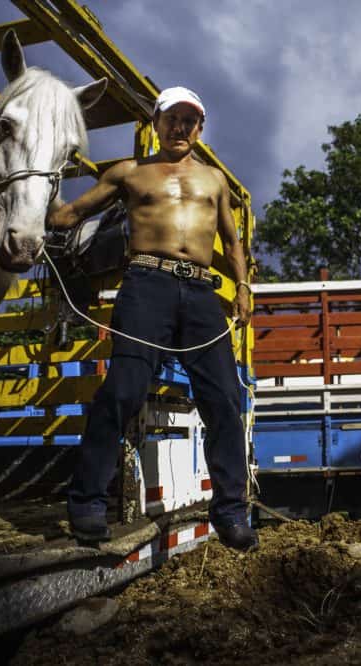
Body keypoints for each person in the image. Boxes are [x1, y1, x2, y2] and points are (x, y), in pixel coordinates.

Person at [48, 86, 257, 551]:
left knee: (224, 399)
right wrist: (35, 210)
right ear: (157, 124)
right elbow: (72, 214)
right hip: (146, 283)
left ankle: (231, 512)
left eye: (190, 120)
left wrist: (242, 286)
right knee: (122, 390)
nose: (180, 128)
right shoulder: (130, 173)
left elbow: (233, 240)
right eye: (172, 119)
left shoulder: (214, 181)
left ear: (200, 129)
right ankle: (86, 503)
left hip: (202, 291)